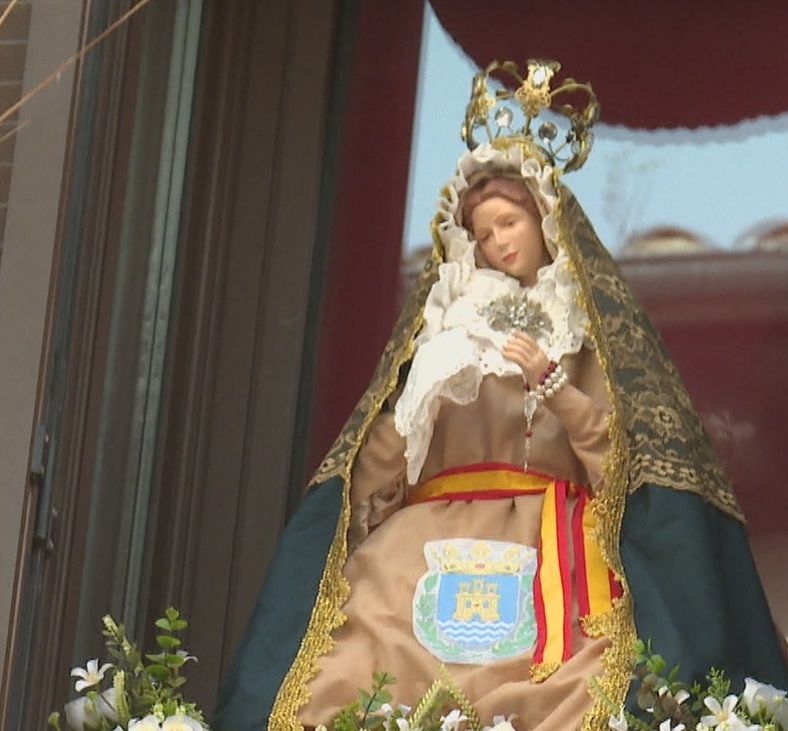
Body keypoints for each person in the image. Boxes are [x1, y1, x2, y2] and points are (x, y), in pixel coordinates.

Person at [213, 64, 788, 731]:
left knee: (583, 693)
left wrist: (551, 384)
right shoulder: (442, 331)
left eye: (510, 222)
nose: (500, 242)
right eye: (485, 233)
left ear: (544, 220)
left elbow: (622, 465)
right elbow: (369, 484)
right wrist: (417, 399)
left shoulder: (583, 335)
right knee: (357, 672)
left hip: (554, 551)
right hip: (420, 555)